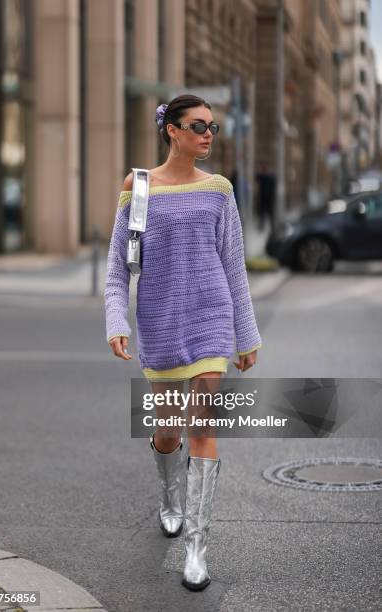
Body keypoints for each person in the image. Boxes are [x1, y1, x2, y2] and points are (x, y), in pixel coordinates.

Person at [104, 94, 262, 591]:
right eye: (198, 125)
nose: (209, 134)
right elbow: (117, 267)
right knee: (170, 431)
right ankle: (170, 496)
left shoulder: (219, 189)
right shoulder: (140, 186)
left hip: (212, 318)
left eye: (213, 127)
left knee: (202, 428)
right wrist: (116, 321)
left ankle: (196, 548)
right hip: (160, 322)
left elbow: (233, 264)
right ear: (171, 130)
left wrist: (245, 331)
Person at [255, 161, 276, 231]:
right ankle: (264, 226)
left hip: (268, 199)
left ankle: (271, 227)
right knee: (263, 215)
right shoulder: (265, 177)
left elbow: (257, 177)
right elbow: (257, 177)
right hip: (264, 199)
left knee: (268, 215)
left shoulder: (267, 178)